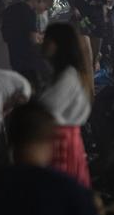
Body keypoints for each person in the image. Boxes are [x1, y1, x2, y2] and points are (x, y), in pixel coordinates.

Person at [39, 23, 93, 188]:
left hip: (61, 144)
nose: (42, 43)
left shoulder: (67, 77)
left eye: (46, 39)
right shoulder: (66, 74)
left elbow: (43, 110)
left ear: (57, 44)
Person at [1, 0, 55, 84]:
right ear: (41, 0)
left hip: (12, 57)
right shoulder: (29, 13)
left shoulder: (10, 9)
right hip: (27, 60)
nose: (43, 11)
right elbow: (33, 39)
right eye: (45, 8)